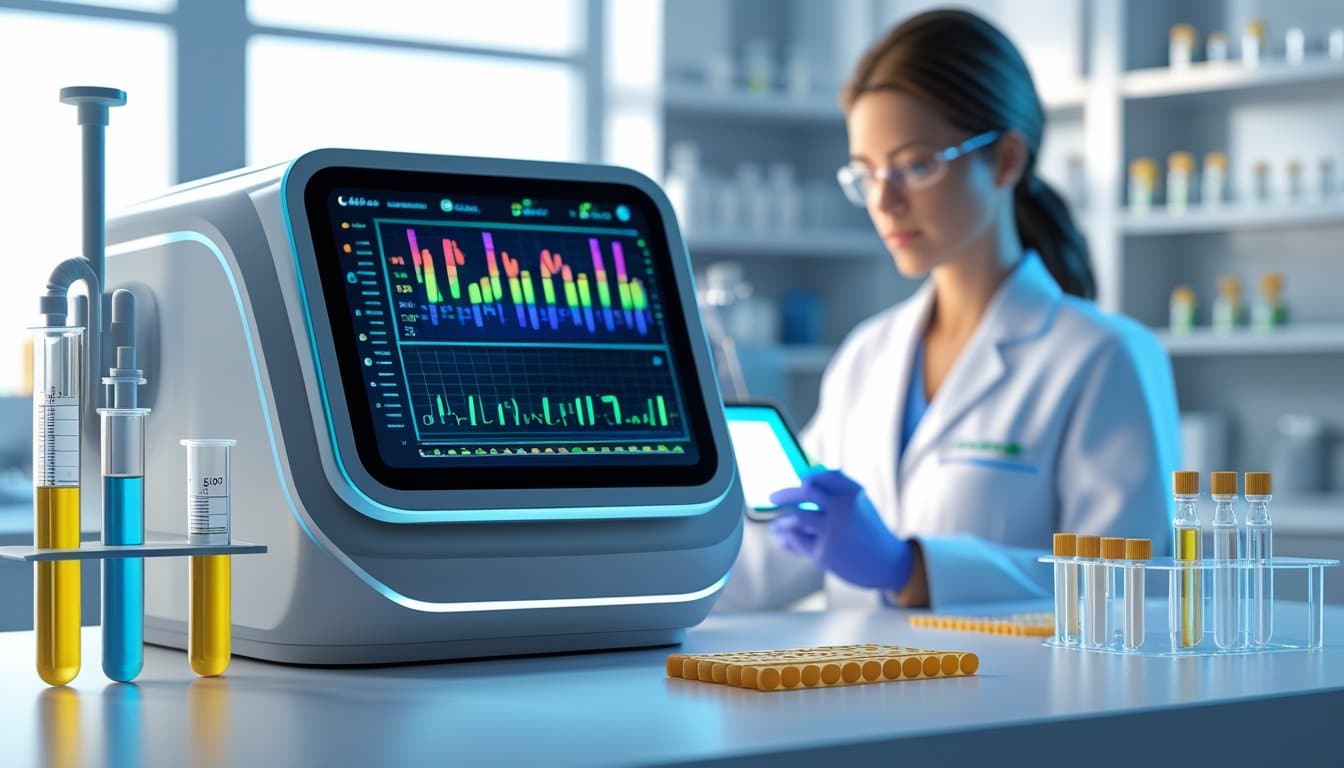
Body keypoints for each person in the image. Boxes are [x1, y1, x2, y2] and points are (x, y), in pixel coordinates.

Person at [718, 9, 1180, 611]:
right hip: (849, 699)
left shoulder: (1101, 356)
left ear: (1007, 160)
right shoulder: (868, 354)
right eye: (866, 173)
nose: (884, 200)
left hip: (1024, 703)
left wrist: (907, 567)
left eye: (915, 165)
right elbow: (785, 548)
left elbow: (1131, 586)